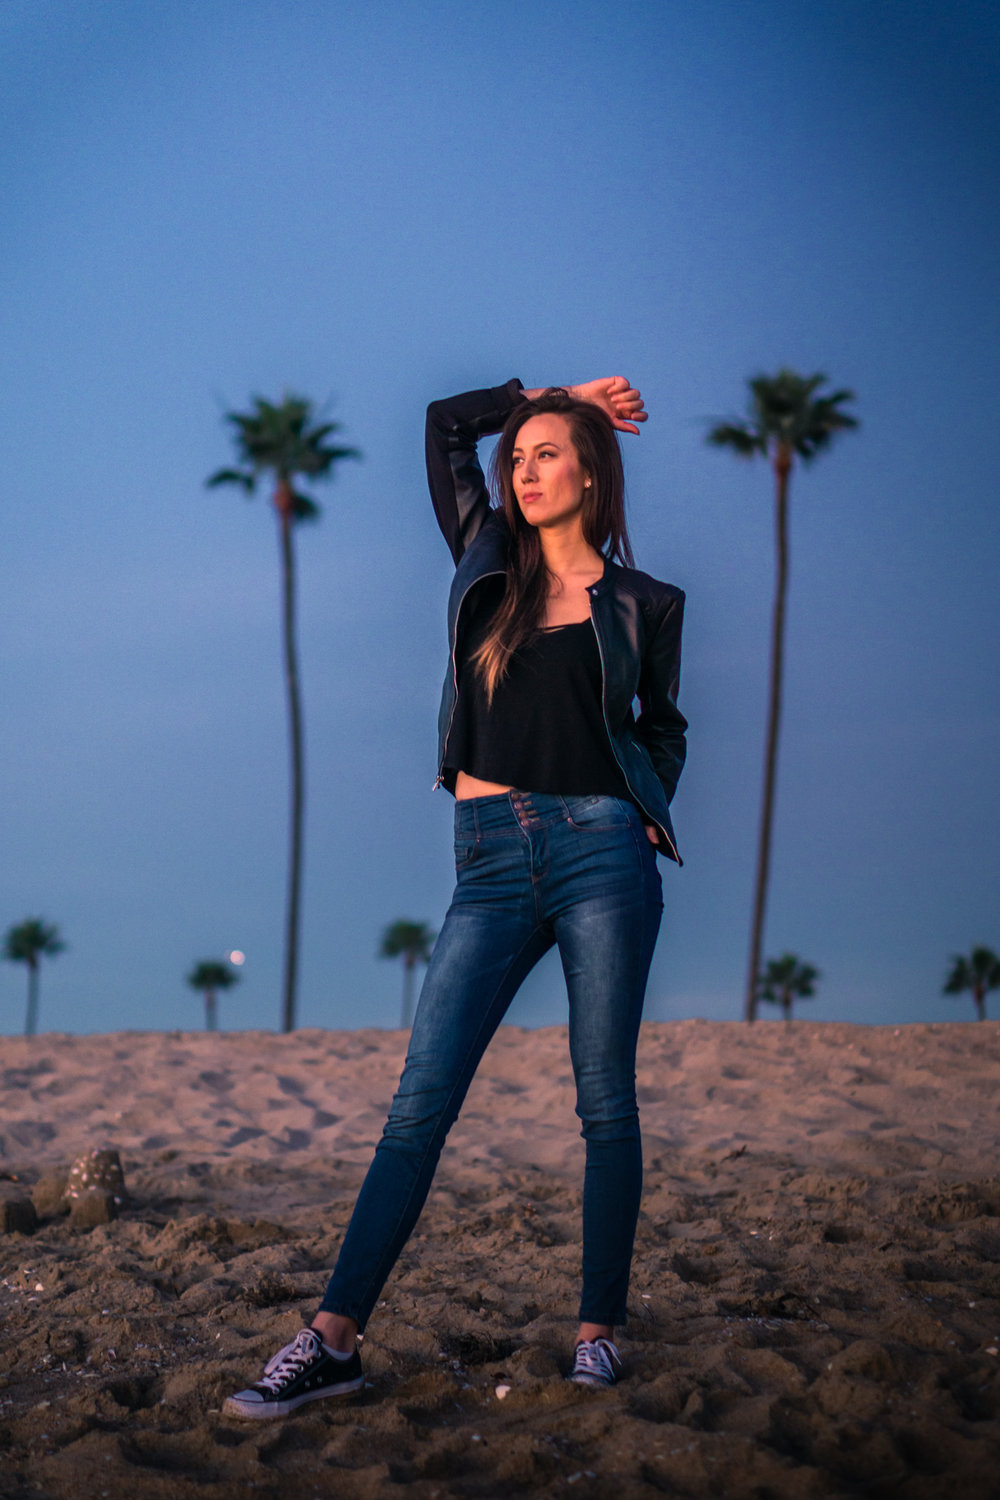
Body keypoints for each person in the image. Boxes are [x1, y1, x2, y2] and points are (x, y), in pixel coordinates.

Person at [224, 375, 687, 1418]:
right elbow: (443, 426)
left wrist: (649, 808)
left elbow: (663, 725)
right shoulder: (483, 561)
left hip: (600, 851)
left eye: (547, 453)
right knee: (419, 1105)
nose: (523, 471)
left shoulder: (645, 602)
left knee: (603, 1100)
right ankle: (330, 1339)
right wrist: (549, 395)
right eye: (516, 457)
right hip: (484, 860)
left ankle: (597, 1334)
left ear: (591, 473)